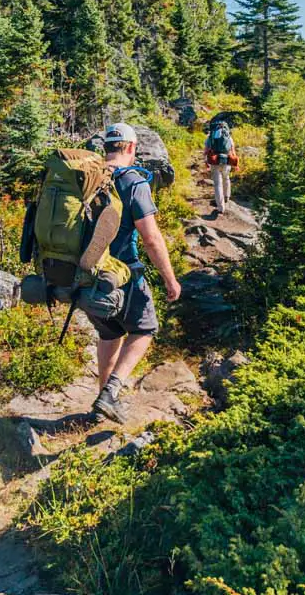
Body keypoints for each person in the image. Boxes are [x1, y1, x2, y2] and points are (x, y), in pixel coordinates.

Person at [91, 122, 181, 422]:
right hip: (122, 274)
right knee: (144, 329)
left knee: (110, 331)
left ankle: (103, 401)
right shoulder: (133, 182)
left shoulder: (88, 177)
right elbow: (151, 239)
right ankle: (110, 393)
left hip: (87, 274)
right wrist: (170, 278)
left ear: (106, 147)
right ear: (130, 148)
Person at [204, 119, 238, 212]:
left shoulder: (210, 137)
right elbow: (232, 150)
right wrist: (235, 163)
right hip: (226, 160)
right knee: (226, 178)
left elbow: (206, 151)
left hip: (215, 162)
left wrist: (206, 161)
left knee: (218, 184)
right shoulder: (229, 137)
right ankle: (227, 196)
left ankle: (221, 207)